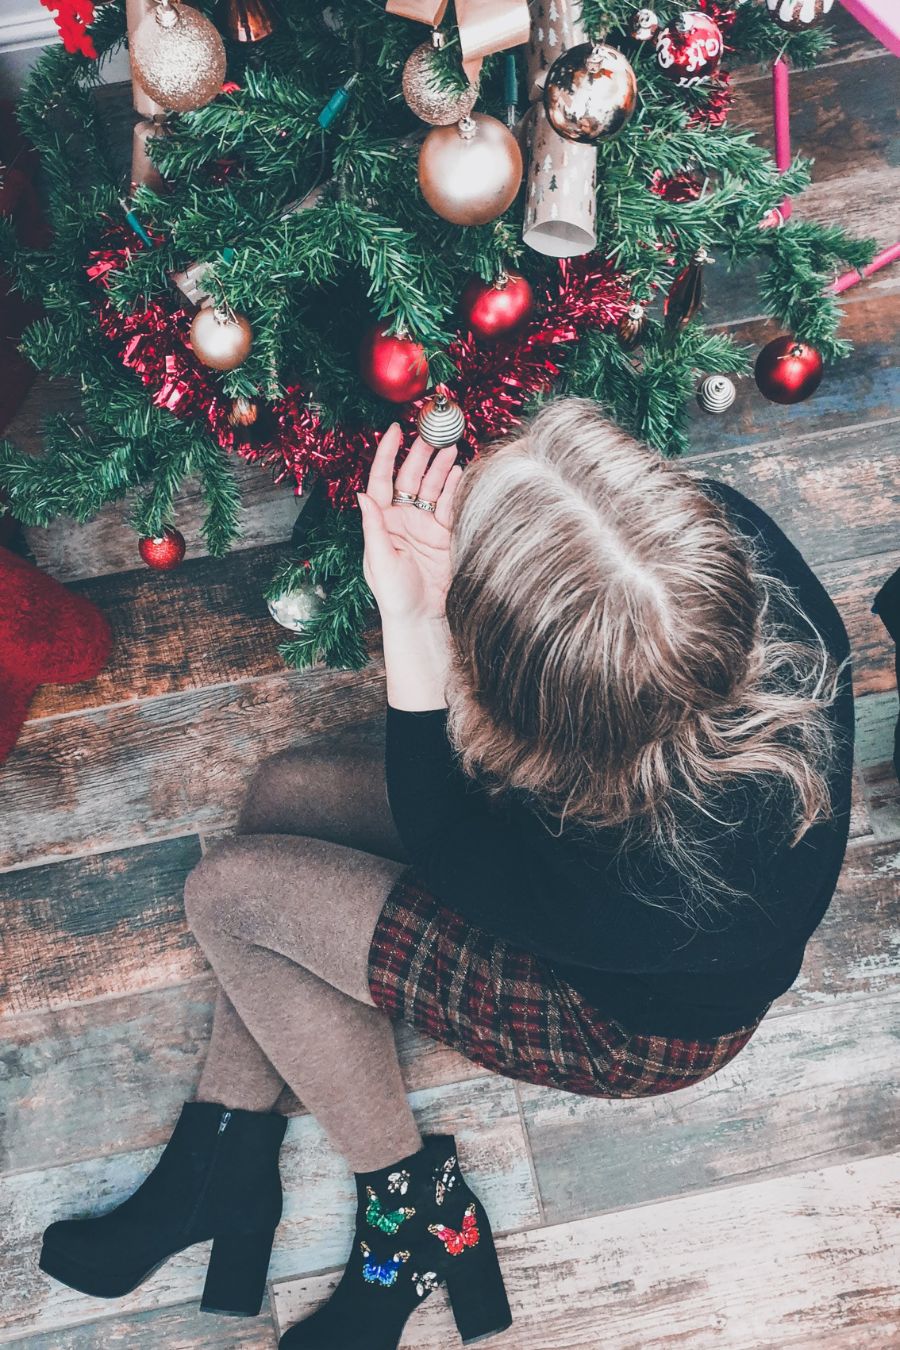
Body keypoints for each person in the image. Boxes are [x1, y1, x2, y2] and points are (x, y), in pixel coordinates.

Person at [38, 398, 854, 1349]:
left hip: (630, 1020)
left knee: (226, 898)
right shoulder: (725, 548)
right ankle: (220, 1158)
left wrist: (414, 618)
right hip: (606, 841)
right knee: (285, 791)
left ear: (530, 717)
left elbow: (445, 834)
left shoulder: (641, 891)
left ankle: (413, 1205)